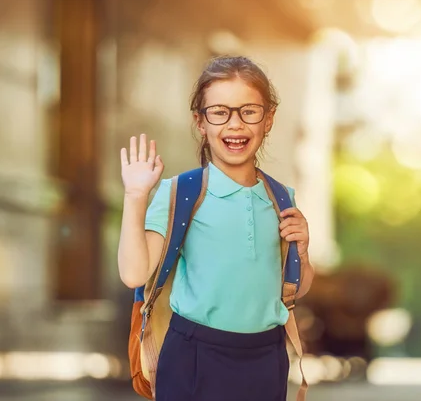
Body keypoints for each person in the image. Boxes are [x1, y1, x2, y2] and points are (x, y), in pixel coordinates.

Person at [117, 56, 314, 401]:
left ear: (268, 120)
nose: (234, 124)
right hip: (195, 357)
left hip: (267, 357)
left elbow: (294, 289)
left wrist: (303, 251)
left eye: (249, 111)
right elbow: (134, 274)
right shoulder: (180, 192)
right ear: (200, 122)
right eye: (219, 112)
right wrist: (135, 196)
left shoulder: (283, 198)